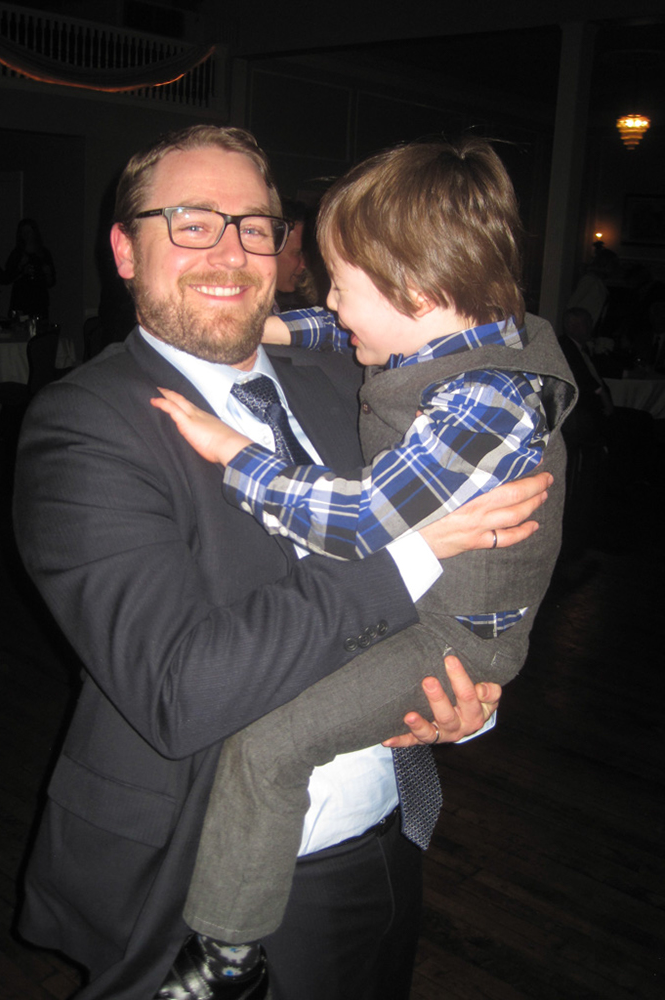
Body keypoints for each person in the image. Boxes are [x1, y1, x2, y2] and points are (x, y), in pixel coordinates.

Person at [13, 125, 553, 1000]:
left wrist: (462, 702)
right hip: (201, 877)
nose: (229, 251)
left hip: (386, 839)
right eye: (192, 222)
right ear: (125, 250)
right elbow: (181, 690)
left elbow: (478, 570)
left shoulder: (359, 378)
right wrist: (412, 555)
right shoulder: (87, 426)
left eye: (255, 226)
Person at [151, 137, 577, 994]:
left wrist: (233, 452)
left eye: (342, 285)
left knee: (269, 747)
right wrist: (265, 325)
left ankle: (228, 952)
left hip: (452, 637)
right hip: (427, 618)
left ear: (415, 288)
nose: (328, 301)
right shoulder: (452, 337)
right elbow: (347, 333)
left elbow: (356, 524)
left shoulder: (487, 403)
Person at [5, 217, 56, 319]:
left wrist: (48, 273)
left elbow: (51, 282)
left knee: (40, 326)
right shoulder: (17, 253)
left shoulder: (44, 253)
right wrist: (21, 268)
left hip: (39, 301)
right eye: (23, 232)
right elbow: (7, 277)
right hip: (21, 301)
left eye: (28, 232)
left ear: (34, 232)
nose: (26, 235)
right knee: (21, 325)